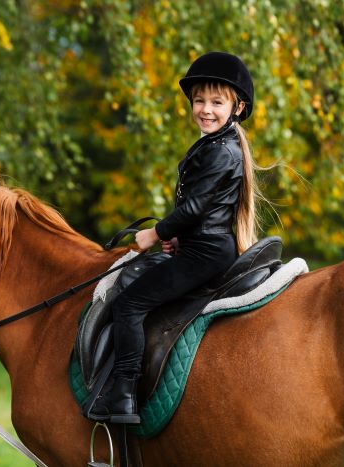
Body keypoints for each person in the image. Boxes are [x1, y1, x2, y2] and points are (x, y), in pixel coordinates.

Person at [88, 52, 258, 424]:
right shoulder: (215, 145)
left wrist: (156, 233)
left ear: (237, 107)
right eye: (200, 100)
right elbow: (206, 209)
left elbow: (195, 207)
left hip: (208, 253)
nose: (206, 109)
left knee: (128, 304)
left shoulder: (221, 150)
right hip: (203, 247)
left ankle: (123, 396)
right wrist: (181, 239)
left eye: (217, 102)